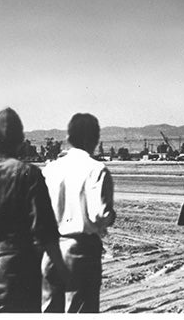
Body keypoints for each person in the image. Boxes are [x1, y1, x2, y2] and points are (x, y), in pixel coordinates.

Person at [0, 108, 70, 312]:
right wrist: (60, 270)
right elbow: (45, 230)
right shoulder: (29, 174)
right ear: (19, 141)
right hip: (18, 274)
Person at [41, 113, 116, 313]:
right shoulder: (96, 169)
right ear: (92, 138)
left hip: (51, 247)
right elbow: (99, 214)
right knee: (80, 309)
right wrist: (111, 217)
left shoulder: (50, 168)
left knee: (49, 309)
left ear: (69, 137)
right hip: (81, 248)